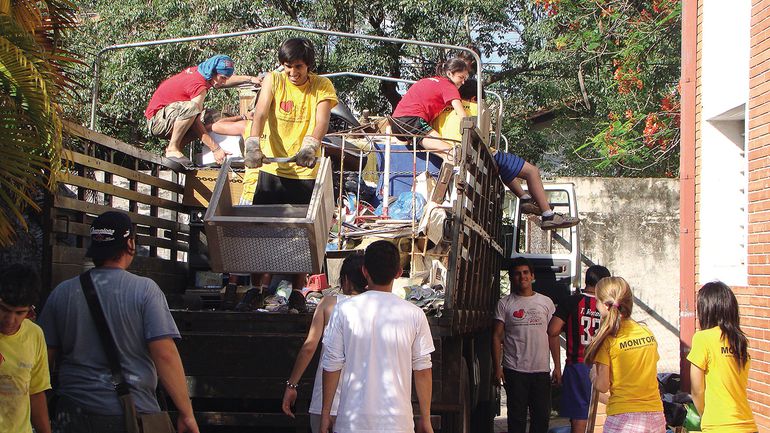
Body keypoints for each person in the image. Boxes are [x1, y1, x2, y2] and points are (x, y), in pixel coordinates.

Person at [38, 211, 200, 433]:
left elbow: (43, 360)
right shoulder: (145, 291)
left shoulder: (62, 293)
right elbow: (165, 354)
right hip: (130, 415)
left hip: (73, 415)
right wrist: (186, 412)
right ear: (130, 244)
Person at [241, 37, 338, 301]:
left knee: (301, 236)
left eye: (298, 67)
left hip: (304, 171)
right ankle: (256, 289)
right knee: (262, 232)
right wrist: (253, 141)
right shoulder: (274, 79)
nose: (293, 73)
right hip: (272, 169)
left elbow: (321, 120)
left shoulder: (322, 86)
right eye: (287, 67)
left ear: (308, 65)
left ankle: (297, 291)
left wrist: (310, 145)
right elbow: (260, 113)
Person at [431, 79, 579, 230]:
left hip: (450, 154)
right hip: (479, 154)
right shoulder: (477, 108)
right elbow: (485, 136)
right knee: (531, 171)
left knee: (506, 166)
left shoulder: (442, 111)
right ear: (475, 98)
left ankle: (525, 198)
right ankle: (548, 215)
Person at [319, 240, 434, 433]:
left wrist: (325, 414)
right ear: (398, 273)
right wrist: (425, 418)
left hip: (351, 423)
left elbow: (331, 365)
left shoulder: (343, 311)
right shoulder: (415, 314)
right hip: (398, 425)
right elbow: (422, 370)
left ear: (365, 271)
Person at [281, 253, 367, 433]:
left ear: (345, 280)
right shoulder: (376, 308)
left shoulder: (328, 304)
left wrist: (292, 385)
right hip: (363, 405)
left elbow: (310, 346)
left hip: (326, 402)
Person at [145, 54, 262, 167]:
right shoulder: (199, 86)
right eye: (222, 78)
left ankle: (177, 148)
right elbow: (195, 120)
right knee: (194, 110)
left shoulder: (203, 73)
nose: (223, 82)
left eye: (226, 79)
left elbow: (224, 79)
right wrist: (216, 149)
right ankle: (172, 148)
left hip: (168, 116)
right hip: (158, 121)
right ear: (213, 72)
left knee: (210, 117)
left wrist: (250, 79)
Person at [584, 276, 665, 433]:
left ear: (604, 305)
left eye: (596, 301)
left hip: (623, 419)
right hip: (655, 416)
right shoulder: (646, 332)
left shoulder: (608, 338)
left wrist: (593, 374)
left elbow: (602, 385)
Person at [492, 257, 560, 433]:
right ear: (512, 278)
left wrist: (558, 367)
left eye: (525, 273)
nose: (522, 277)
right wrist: (497, 368)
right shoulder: (505, 304)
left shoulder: (546, 303)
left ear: (532, 276)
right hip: (514, 370)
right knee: (516, 419)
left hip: (541, 371)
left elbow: (553, 336)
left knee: (541, 419)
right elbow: (497, 336)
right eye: (517, 274)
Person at [547, 265, 611, 433]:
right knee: (605, 413)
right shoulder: (609, 306)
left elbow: (552, 331)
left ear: (586, 280)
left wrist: (557, 367)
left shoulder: (571, 301)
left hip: (578, 366)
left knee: (579, 417)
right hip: (605, 367)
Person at [688, 281, 758, 433]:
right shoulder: (740, 341)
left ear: (706, 310)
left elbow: (696, 390)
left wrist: (704, 415)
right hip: (747, 425)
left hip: (718, 426)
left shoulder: (702, 339)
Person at [0, 264, 51, 433]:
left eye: (19, 313)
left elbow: (36, 393)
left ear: (30, 311)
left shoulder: (35, 335)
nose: (10, 320)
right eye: (4, 310)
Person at [389, 58, 470, 164]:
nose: (463, 82)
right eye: (461, 77)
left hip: (396, 121)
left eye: (465, 79)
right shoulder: (449, 86)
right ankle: (446, 180)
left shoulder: (429, 80)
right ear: (450, 73)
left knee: (439, 150)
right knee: (452, 153)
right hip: (412, 120)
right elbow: (462, 115)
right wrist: (472, 132)